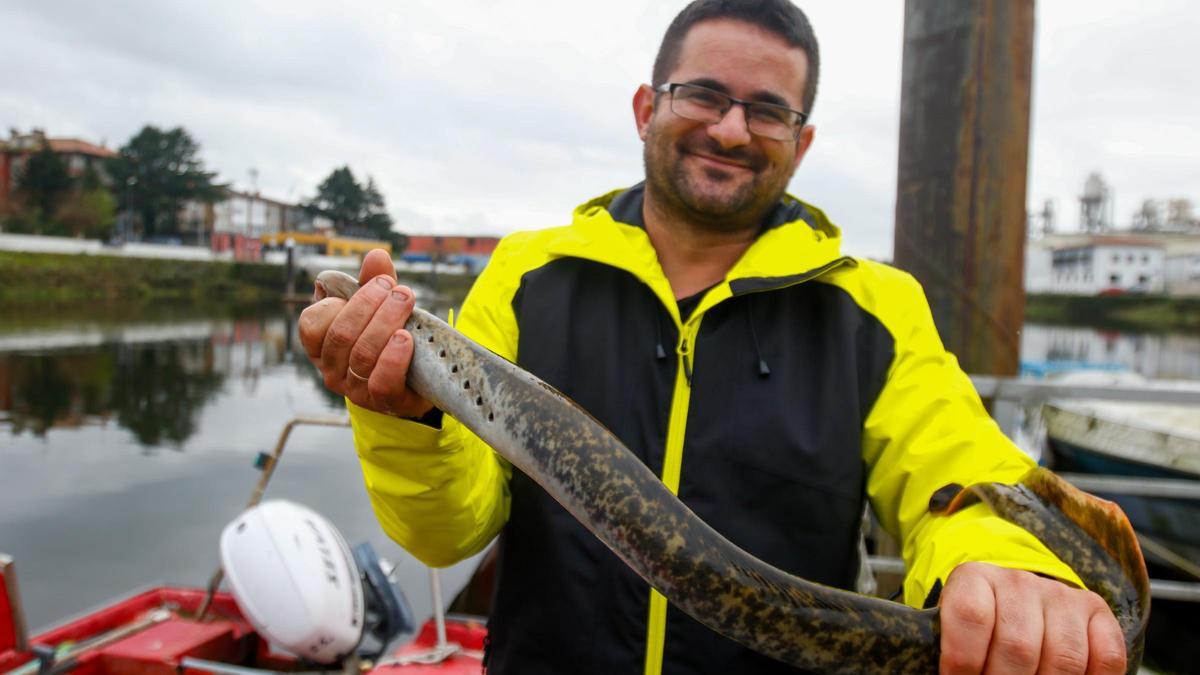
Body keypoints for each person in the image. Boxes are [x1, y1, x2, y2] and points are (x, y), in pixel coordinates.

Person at [300, 1, 1127, 673]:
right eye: (703, 95)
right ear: (645, 107)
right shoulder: (527, 273)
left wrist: (1010, 565)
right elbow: (448, 531)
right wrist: (406, 414)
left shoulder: (876, 308)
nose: (731, 130)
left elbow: (963, 476)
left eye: (767, 111)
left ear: (801, 143)